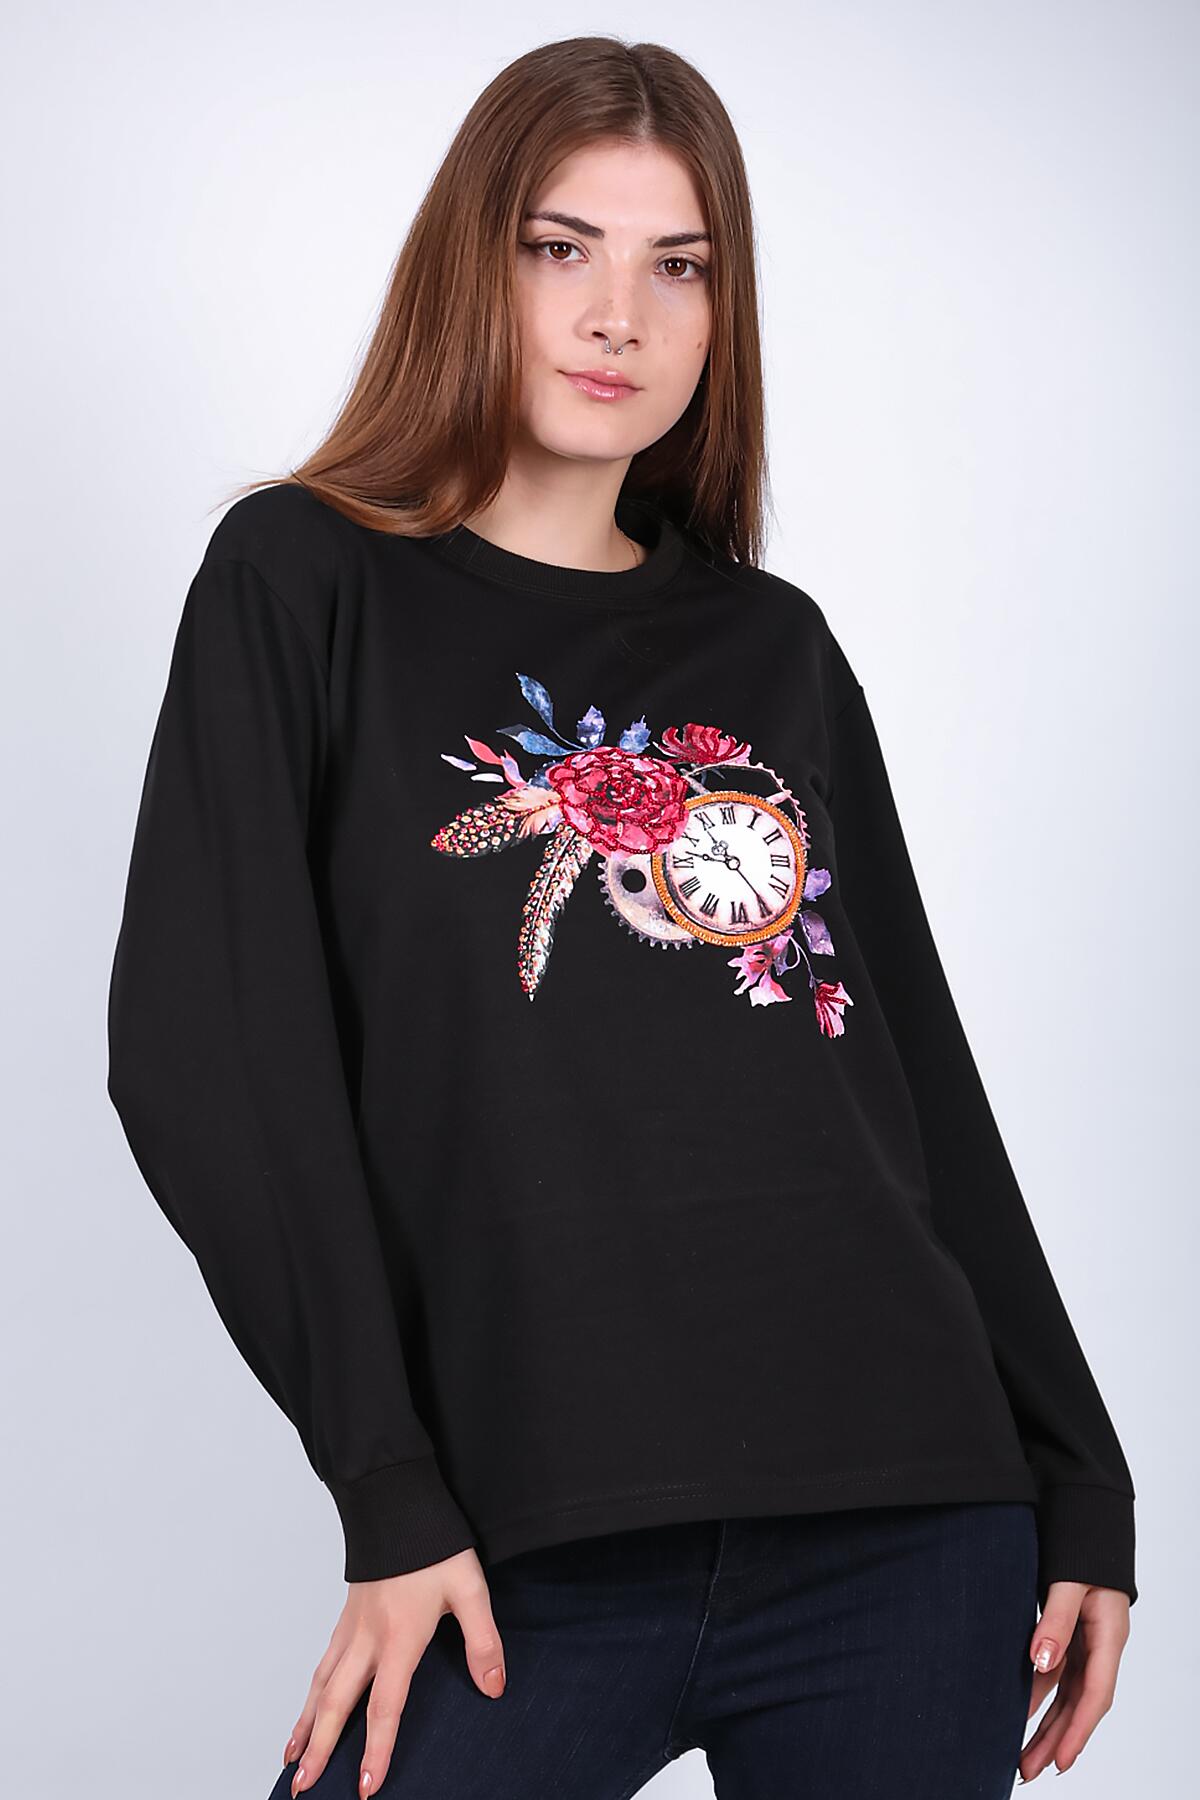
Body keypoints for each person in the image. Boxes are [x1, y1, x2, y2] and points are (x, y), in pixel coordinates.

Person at [105, 34, 1136, 1800]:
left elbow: (918, 1087)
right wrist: (387, 1488)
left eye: (679, 267)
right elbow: (206, 1066)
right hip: (519, 1542)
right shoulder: (301, 579)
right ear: (473, 262)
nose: (617, 317)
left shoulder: (773, 647)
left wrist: (1081, 1474)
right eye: (560, 247)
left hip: (905, 1522)